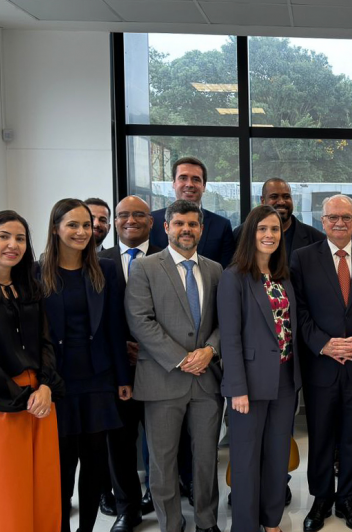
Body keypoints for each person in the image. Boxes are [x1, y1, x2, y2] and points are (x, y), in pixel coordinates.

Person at [291, 195, 352, 532]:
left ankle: (347, 498)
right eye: (333, 217)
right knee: (320, 434)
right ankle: (320, 499)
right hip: (322, 365)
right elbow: (297, 310)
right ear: (322, 221)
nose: (340, 223)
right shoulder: (302, 258)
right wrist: (323, 344)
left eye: (346, 217)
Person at [126, 199, 225, 532]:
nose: (186, 229)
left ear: (201, 228)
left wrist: (210, 351)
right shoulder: (145, 267)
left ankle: (206, 521)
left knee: (206, 458)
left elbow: (226, 320)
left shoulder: (215, 269)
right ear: (166, 227)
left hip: (206, 381)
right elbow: (140, 321)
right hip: (162, 379)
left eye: (193, 224)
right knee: (163, 461)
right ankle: (171, 524)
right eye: (179, 223)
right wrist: (182, 359)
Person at [0, 210, 66, 532]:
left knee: (43, 490)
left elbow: (46, 343)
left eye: (20, 238)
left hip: (40, 400)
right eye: (4, 236)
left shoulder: (30, 289)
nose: (13, 244)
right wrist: (20, 397)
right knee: (4, 493)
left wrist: (47, 387)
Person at [38, 199, 132, 532]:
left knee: (94, 464)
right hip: (57, 381)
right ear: (55, 229)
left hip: (98, 378)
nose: (81, 232)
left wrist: (122, 377)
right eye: (73, 225)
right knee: (62, 465)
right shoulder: (37, 272)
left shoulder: (105, 269)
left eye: (86, 225)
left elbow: (114, 327)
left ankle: (87, 529)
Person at [220, 205, 302, 532]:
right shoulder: (234, 277)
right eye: (262, 229)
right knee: (245, 460)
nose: (269, 235)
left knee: (277, 456)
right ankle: (245, 525)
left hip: (284, 379)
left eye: (275, 230)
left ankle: (270, 521)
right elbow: (230, 338)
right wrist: (237, 388)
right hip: (249, 385)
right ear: (250, 234)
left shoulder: (282, 276)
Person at [99, 195, 160, 529]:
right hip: (115, 369)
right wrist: (120, 348)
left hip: (159, 366)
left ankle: (159, 496)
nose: (130, 220)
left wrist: (148, 348)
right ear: (114, 221)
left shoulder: (169, 257)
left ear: (151, 221)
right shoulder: (99, 260)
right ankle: (128, 508)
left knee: (161, 441)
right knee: (119, 444)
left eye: (139, 215)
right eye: (123, 215)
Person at [150, 156, 236, 268]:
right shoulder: (153, 222)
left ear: (204, 186)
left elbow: (226, 272)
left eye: (196, 179)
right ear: (174, 183)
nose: (189, 184)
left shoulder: (221, 226)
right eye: (183, 178)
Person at [232, 177, 326, 257]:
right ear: (263, 200)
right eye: (274, 197)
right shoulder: (240, 234)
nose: (281, 202)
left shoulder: (316, 239)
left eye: (286, 197)